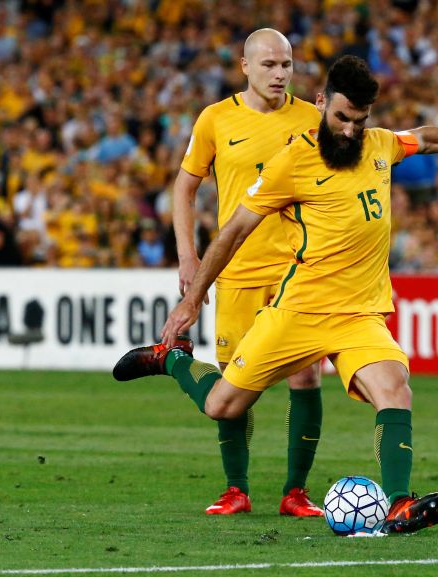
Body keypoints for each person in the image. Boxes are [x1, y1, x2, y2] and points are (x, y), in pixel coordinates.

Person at [114, 55, 438, 533]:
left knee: (395, 390)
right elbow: (234, 230)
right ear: (321, 103)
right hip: (298, 311)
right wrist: (193, 298)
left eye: (359, 121)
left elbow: (426, 137)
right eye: (341, 118)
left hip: (359, 315)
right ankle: (172, 360)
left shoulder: (381, 145)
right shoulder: (292, 162)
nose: (349, 131)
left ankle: (399, 504)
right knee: (222, 406)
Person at [165, 29, 325, 517]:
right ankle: (236, 488)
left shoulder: (311, 117)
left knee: (307, 377)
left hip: (295, 272)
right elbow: (184, 188)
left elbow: (354, 164)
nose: (280, 74)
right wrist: (189, 258)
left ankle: (295, 492)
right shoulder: (215, 119)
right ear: (245, 66)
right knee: (235, 390)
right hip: (234, 272)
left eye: (287, 65)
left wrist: (338, 122)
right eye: (270, 65)